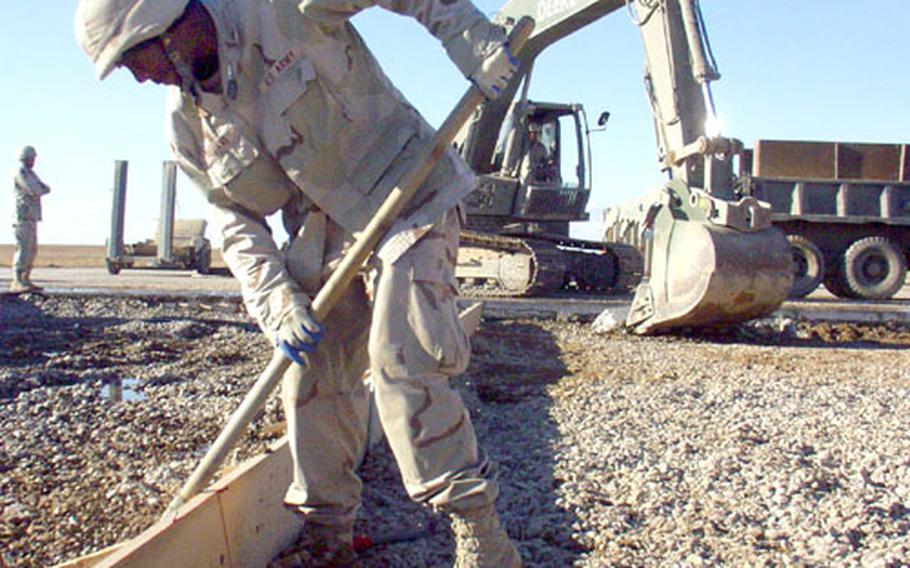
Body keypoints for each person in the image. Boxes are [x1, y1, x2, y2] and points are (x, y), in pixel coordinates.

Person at [75, 0, 521, 566]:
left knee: (401, 356)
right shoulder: (187, 124)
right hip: (325, 239)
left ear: (168, 24)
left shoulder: (279, 8)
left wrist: (473, 41)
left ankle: (480, 531)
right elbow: (234, 222)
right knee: (310, 379)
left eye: (134, 58)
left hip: (411, 195)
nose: (139, 76)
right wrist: (278, 302)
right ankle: (328, 538)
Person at [10, 146, 51, 293]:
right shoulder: (21, 172)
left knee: (32, 250)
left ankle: (26, 279)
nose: (34, 160)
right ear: (26, 158)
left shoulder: (31, 173)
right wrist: (40, 189)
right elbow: (35, 190)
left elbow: (45, 188)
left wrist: (41, 189)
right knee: (23, 249)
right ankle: (18, 280)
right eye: (32, 157)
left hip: (31, 217)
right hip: (22, 217)